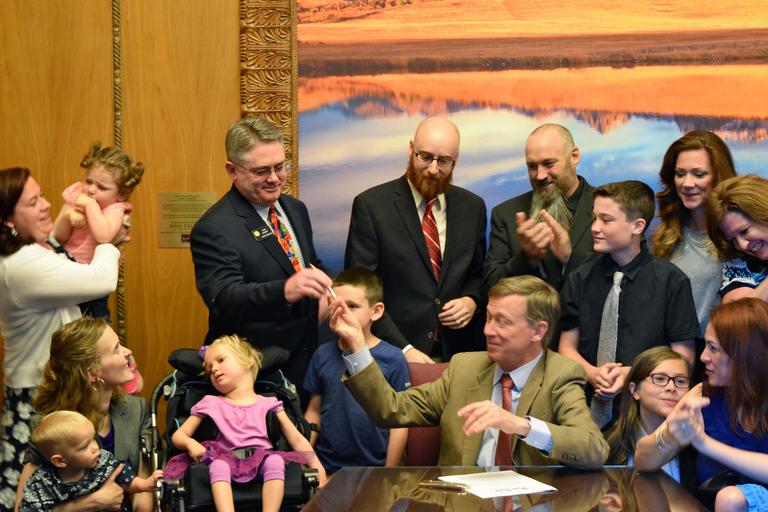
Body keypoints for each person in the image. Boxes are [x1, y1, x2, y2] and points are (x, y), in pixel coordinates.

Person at [331, 274, 609, 468]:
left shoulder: (561, 374)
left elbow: (593, 449)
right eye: (488, 318)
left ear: (538, 330)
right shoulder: (465, 367)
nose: (488, 331)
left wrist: (521, 426)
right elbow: (389, 409)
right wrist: (357, 346)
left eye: (502, 322)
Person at [0, 167, 120, 507]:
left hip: (49, 383)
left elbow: (54, 249)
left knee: (63, 487)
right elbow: (102, 279)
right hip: (36, 393)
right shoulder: (20, 263)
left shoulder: (30, 249)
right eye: (33, 202)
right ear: (8, 220)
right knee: (28, 495)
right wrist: (107, 236)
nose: (46, 204)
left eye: (41, 195)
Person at [190, 116, 332, 388]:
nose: (274, 178)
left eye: (280, 166)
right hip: (253, 376)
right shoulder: (213, 228)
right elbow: (224, 298)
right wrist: (285, 290)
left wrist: (327, 288)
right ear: (232, 170)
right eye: (261, 171)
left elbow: (307, 264)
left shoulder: (295, 209)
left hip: (304, 364)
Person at [345, 117, 487, 362]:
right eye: (425, 157)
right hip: (393, 355)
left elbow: (477, 273)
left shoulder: (473, 207)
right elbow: (359, 294)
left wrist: (471, 300)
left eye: (444, 161)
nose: (433, 169)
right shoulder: (371, 206)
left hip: (460, 355)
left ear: (455, 160)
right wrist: (405, 350)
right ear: (411, 150)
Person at [558, 181, 698, 428]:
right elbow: (566, 347)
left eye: (606, 220)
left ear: (637, 226)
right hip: (584, 410)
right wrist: (592, 373)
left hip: (647, 415)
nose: (595, 228)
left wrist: (634, 374)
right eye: (594, 218)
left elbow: (683, 357)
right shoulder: (580, 278)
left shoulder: (671, 281)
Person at [634, 298, 768, 512]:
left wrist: (705, 444)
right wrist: (668, 435)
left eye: (713, 348)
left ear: (744, 353)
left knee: (731, 497)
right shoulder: (703, 395)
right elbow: (642, 461)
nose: (703, 357)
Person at [167, 335, 327, 512]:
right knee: (218, 465)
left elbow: (296, 439)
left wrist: (318, 468)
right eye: (209, 368)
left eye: (221, 360)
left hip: (262, 457)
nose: (214, 369)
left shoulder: (269, 403)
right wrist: (190, 443)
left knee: (275, 461)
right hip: (224, 457)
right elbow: (178, 436)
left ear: (248, 361)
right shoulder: (210, 403)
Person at [14, 317, 152, 512]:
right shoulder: (51, 426)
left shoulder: (136, 409)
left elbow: (143, 487)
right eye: (116, 349)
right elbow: (22, 508)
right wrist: (90, 503)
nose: (128, 351)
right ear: (92, 373)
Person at [303, 268, 409, 473]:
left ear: (376, 311)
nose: (342, 312)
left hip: (375, 469)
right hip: (328, 467)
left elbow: (400, 424)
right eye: (335, 304)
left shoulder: (393, 358)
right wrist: (308, 465)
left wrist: (389, 473)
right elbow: (314, 412)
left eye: (352, 306)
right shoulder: (322, 354)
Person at [484, 124, 596, 295]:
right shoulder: (505, 214)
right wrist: (526, 258)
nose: (540, 175)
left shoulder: (611, 209)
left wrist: (570, 258)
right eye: (532, 166)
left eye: (549, 163)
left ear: (574, 156)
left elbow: (625, 279)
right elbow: (490, 288)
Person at [651, 130, 737, 337]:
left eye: (699, 174)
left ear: (719, 176)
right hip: (670, 349)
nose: (687, 184)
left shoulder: (740, 238)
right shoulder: (664, 235)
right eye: (680, 174)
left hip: (723, 348)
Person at [52, 143, 144, 318]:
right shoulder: (78, 196)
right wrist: (67, 216)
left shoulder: (115, 209)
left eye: (102, 187)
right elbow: (57, 236)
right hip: (67, 268)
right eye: (88, 181)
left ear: (121, 194)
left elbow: (104, 236)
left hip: (95, 274)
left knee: (95, 319)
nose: (91, 190)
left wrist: (90, 206)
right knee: (66, 319)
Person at [20, 411, 162, 512]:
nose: (95, 447)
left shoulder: (102, 461)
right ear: (60, 461)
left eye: (93, 438)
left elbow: (126, 479)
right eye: (84, 447)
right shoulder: (42, 484)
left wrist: (145, 484)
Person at [604, 347, 694, 488]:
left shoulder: (696, 446)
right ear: (634, 390)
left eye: (681, 381)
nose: (672, 387)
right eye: (659, 379)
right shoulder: (607, 444)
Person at [706, 174, 768, 304]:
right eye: (733, 240)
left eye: (744, 231)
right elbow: (741, 313)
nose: (742, 245)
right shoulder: (738, 265)